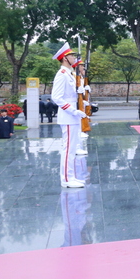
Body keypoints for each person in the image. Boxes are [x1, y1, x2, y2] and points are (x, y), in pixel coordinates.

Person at [52, 42, 88, 188]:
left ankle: (71, 176)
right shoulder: (62, 75)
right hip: (68, 116)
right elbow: (57, 97)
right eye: (72, 55)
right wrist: (73, 111)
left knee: (72, 149)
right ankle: (67, 179)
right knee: (68, 150)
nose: (74, 58)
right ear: (65, 58)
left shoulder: (69, 74)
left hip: (72, 116)